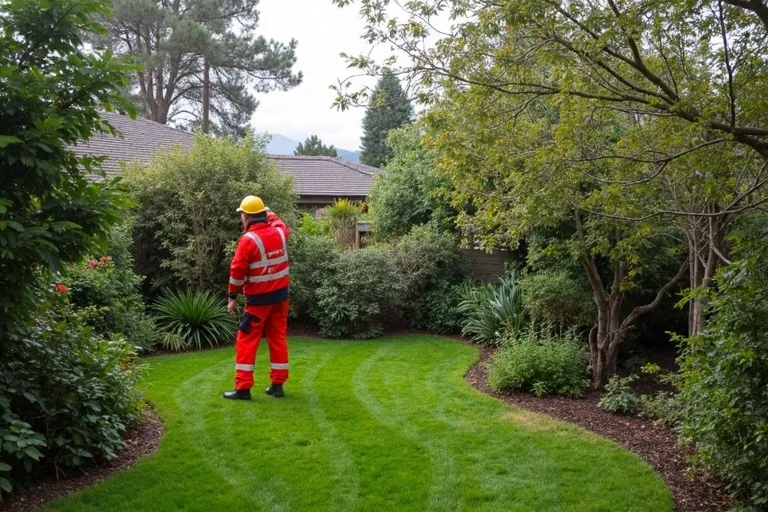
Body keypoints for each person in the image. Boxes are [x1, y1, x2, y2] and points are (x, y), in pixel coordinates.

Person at [222, 195, 291, 401]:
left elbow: (237, 272)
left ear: (247, 217)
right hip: (281, 297)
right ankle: (277, 385)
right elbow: (278, 221)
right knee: (277, 338)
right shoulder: (281, 232)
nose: (241, 218)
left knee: (246, 341)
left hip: (258, 301)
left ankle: (243, 388)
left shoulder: (248, 241)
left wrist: (232, 296)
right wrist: (268, 211)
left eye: (242, 215)